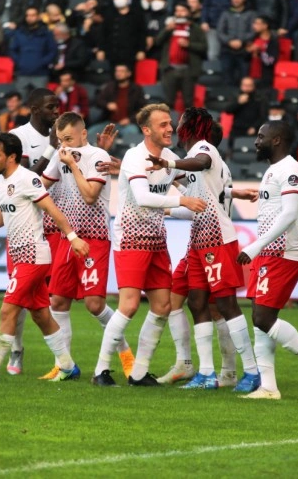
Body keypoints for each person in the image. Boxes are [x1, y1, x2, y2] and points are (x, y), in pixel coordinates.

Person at [91, 103, 207, 387]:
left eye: (170, 123)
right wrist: (181, 200)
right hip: (130, 239)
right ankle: (101, 371)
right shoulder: (134, 157)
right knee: (129, 306)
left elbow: (193, 191)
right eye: (163, 124)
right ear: (146, 130)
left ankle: (140, 373)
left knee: (162, 306)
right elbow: (143, 197)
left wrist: (229, 193)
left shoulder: (169, 158)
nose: (170, 129)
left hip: (157, 240)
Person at [147, 108, 262, 392]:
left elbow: (200, 162)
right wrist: (165, 170)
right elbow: (191, 183)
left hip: (218, 240)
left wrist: (167, 162)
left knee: (224, 304)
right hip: (199, 240)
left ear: (194, 125)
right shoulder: (199, 162)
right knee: (196, 302)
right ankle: (207, 374)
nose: (178, 124)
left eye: (182, 120)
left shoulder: (204, 147)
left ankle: (252, 371)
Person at [0, 132, 89, 381]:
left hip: (32, 256)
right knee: (41, 315)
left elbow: (52, 210)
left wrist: (73, 237)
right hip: (20, 255)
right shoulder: (2, 181)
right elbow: (6, 211)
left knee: (7, 311)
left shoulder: (28, 179)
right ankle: (68, 366)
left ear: (12, 157)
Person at [236, 120, 298, 400]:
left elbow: (289, 214)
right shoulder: (273, 170)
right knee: (260, 318)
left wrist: (255, 246)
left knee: (263, 317)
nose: (256, 141)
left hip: (282, 253)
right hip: (269, 253)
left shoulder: (291, 170)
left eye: (261, 136)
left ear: (277, 139)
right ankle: (268, 386)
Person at [39, 112, 135, 379]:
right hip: (67, 237)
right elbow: (41, 186)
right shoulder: (62, 155)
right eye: (60, 140)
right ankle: (65, 365)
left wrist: (74, 165)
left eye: (69, 138)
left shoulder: (98, 157)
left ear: (83, 133)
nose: (65, 145)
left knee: (94, 304)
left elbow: (91, 196)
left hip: (93, 237)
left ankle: (126, 354)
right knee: (58, 301)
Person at [3, 88, 61, 376]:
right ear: (34, 109)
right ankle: (16, 349)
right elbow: (23, 181)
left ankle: (64, 362)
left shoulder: (64, 135)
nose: (57, 112)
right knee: (20, 296)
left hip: (57, 228)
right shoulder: (19, 137)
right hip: (25, 230)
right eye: (51, 107)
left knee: (56, 298)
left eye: (58, 107)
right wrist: (51, 148)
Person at [155, 1, 207, 109]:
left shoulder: (195, 29)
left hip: (188, 70)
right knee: (168, 103)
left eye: (182, 10)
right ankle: (168, 125)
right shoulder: (170, 27)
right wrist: (166, 30)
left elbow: (204, 47)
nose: (179, 13)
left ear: (188, 12)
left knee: (189, 103)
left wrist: (189, 44)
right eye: (177, 11)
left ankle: (190, 125)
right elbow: (157, 42)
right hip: (170, 69)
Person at [90, 64, 147, 139]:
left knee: (131, 133)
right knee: (91, 132)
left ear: (129, 73)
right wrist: (107, 105)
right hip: (109, 123)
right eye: (117, 71)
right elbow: (98, 101)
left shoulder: (136, 89)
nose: (118, 73)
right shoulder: (110, 86)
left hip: (129, 124)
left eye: (121, 71)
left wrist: (130, 119)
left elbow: (143, 109)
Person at [9, 6, 57, 95]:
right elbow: (13, 50)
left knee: (40, 103)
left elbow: (52, 51)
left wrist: (42, 62)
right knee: (21, 102)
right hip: (22, 73)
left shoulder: (46, 34)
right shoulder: (19, 33)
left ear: (38, 17)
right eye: (28, 15)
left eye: (33, 15)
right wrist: (20, 62)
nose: (30, 18)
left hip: (41, 74)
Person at [96, 0, 146, 68]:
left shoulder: (136, 14)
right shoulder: (109, 14)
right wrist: (101, 49)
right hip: (112, 54)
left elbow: (142, 33)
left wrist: (142, 50)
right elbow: (103, 33)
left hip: (131, 54)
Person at [217, 0, 256, 86]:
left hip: (244, 51)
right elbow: (220, 32)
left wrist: (241, 41)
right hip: (227, 50)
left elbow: (253, 31)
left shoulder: (251, 14)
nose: (236, 0)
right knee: (227, 76)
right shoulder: (225, 13)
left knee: (244, 76)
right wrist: (229, 41)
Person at [226, 76, 268, 145]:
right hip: (237, 129)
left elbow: (263, 116)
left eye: (249, 86)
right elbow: (228, 111)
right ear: (241, 86)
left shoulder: (259, 98)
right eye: (245, 85)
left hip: (253, 129)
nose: (247, 88)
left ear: (253, 86)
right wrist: (238, 103)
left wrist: (254, 127)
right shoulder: (236, 95)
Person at [246, 15, 279, 91]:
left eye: (257, 24)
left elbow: (271, 61)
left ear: (265, 26)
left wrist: (261, 51)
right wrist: (248, 51)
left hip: (265, 76)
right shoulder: (252, 39)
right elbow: (245, 56)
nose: (254, 26)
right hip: (251, 76)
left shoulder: (272, 42)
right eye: (254, 23)